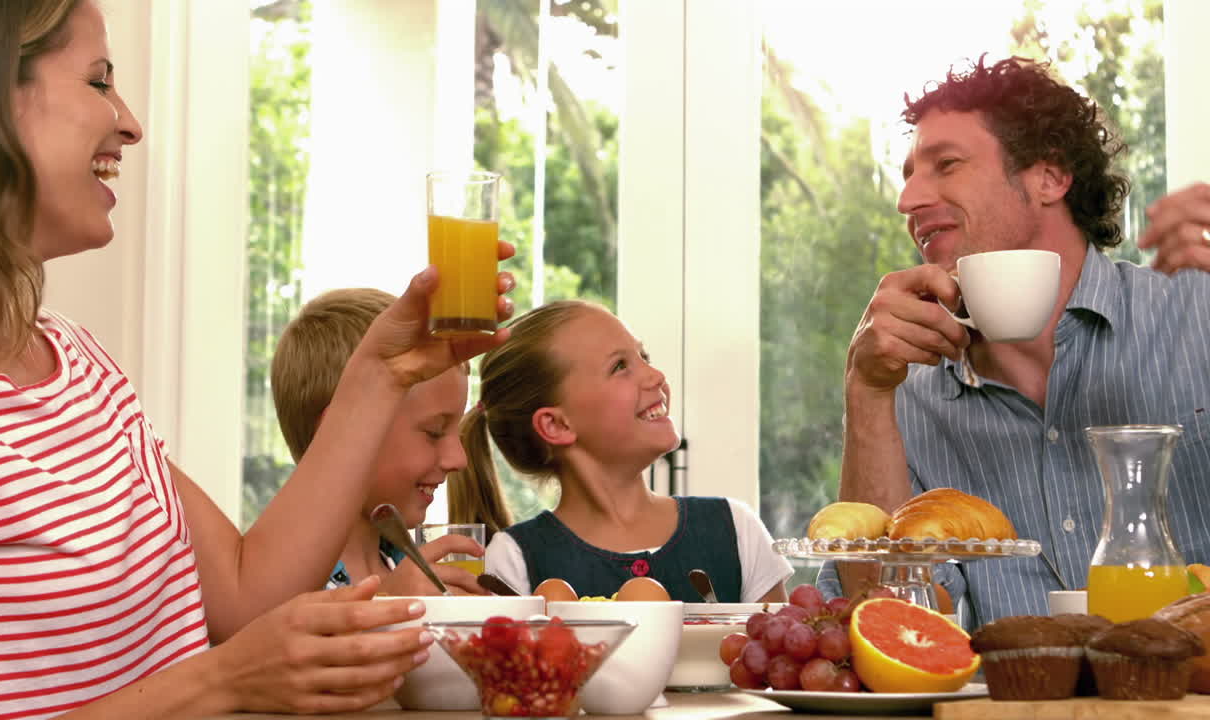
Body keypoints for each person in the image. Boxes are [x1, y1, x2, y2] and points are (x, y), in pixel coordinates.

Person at [0, 2, 515, 718]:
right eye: (98, 82)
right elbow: (235, 654)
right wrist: (223, 682)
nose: (130, 122)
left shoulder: (80, 365)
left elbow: (244, 594)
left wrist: (381, 371)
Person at [828, 54, 1210, 627]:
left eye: (946, 164)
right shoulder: (905, 391)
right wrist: (867, 392)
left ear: (1050, 177)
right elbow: (892, 626)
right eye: (908, 174)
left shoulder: (1196, 312)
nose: (908, 201)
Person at [458, 300, 792, 602]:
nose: (656, 376)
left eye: (643, 357)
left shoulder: (736, 529)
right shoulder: (511, 562)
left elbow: (777, 657)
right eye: (620, 366)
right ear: (557, 425)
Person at [271, 287, 513, 594]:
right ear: (343, 433)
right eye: (434, 432)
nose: (458, 459)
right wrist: (389, 607)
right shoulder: (282, 594)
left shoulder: (414, 573)